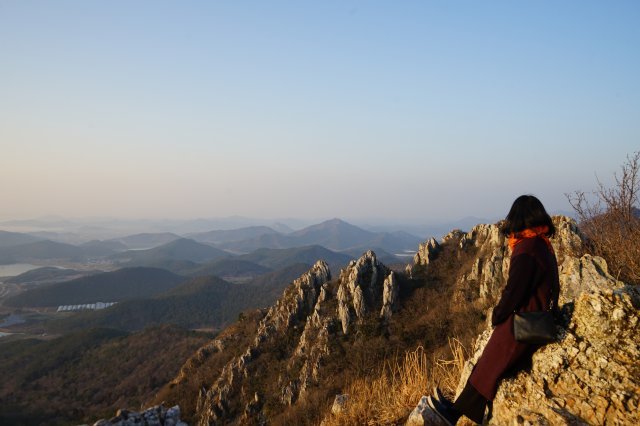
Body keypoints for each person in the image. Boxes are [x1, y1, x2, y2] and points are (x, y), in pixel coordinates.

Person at [428, 195, 560, 425]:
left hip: (527, 322)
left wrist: (498, 315)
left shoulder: (527, 248)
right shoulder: (540, 244)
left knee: (491, 362)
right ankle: (458, 408)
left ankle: (454, 414)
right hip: (535, 315)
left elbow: (514, 290)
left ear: (518, 219)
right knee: (487, 361)